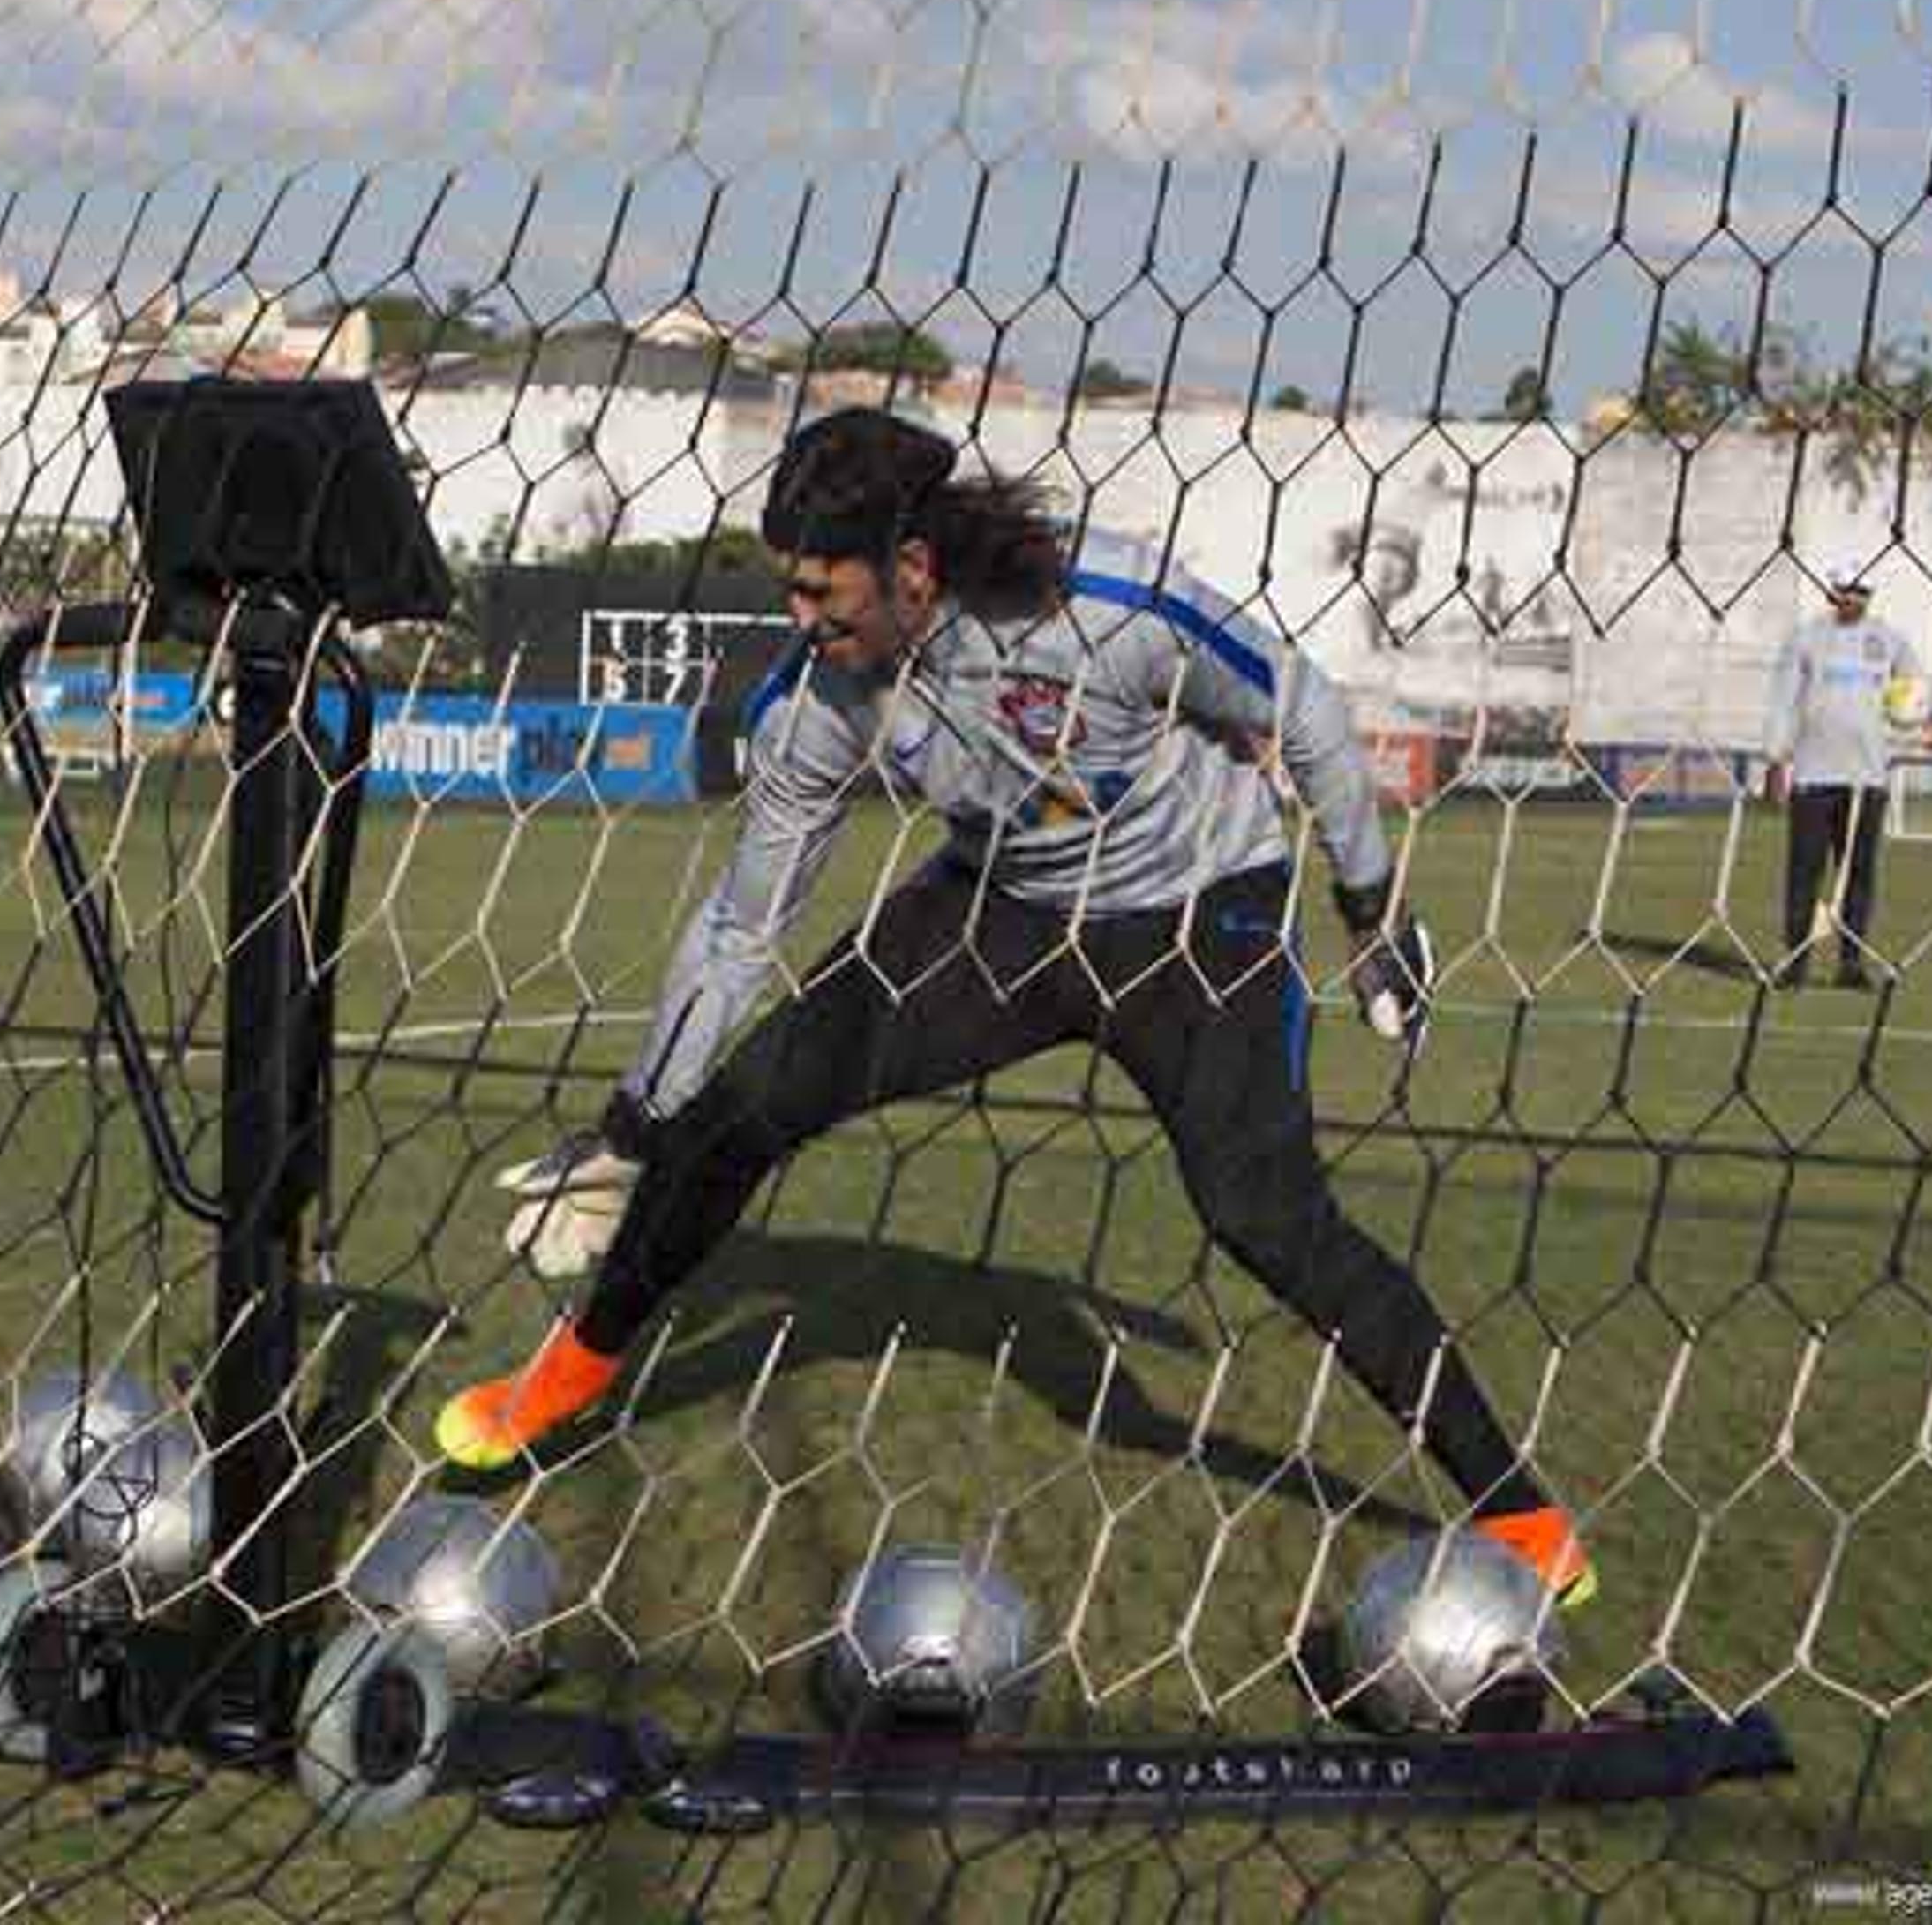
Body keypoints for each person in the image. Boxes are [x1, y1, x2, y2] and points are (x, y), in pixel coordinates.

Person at [433, 408, 1595, 1611]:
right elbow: (743, 923)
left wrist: (1370, 907)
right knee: (743, 1105)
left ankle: (1521, 1506)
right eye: (787, 589)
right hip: (1006, 911)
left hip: (1197, 917)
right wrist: (633, 1125)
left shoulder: (1109, 603)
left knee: (1265, 1213)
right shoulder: (814, 702)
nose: (800, 619)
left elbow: (1300, 708)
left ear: (914, 568)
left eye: (821, 591)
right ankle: (566, 1375)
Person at [1763, 560, 1932, 990]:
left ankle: (1851, 964)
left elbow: (1917, 688)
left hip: (1867, 780)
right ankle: (1796, 962)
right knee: (1804, 872)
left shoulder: (1889, 640)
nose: (1855, 598)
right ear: (1832, 592)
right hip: (1812, 776)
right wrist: (1774, 757)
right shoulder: (1806, 639)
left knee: (1858, 873)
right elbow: (1782, 700)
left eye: (1863, 591)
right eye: (1847, 590)